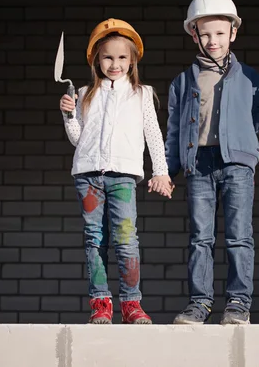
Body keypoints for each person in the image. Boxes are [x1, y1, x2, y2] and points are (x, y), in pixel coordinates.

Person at [165, 0, 259, 325]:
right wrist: (166, 170)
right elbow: (176, 131)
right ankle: (199, 304)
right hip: (199, 165)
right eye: (205, 33)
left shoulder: (250, 77)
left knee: (239, 236)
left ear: (233, 33)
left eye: (220, 33)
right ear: (193, 34)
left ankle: (238, 303)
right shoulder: (182, 83)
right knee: (200, 238)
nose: (212, 40)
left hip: (236, 164)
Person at [60, 18, 173, 324]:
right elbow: (77, 139)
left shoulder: (142, 93)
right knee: (94, 239)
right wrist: (69, 115)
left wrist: (160, 171)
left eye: (122, 57)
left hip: (123, 175)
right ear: (96, 58)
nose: (115, 64)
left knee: (125, 238)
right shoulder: (85, 93)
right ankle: (100, 302)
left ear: (133, 59)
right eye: (108, 56)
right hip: (88, 175)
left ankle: (131, 304)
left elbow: (154, 135)